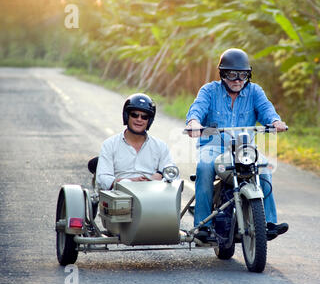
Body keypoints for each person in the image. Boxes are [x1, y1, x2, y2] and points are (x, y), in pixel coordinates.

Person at [185, 48, 289, 241]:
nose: (238, 79)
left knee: (264, 166)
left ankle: (268, 223)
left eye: (243, 75)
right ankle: (203, 226)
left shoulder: (255, 91)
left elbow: (267, 109)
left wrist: (275, 122)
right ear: (223, 74)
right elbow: (197, 109)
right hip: (213, 148)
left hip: (244, 149)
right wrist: (194, 123)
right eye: (232, 74)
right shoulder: (209, 90)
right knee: (204, 167)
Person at [96, 93, 175, 190]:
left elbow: (173, 176)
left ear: (149, 121)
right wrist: (129, 182)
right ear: (126, 116)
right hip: (120, 196)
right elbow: (102, 179)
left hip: (152, 195)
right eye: (134, 115)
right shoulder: (109, 144)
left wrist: (158, 178)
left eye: (144, 117)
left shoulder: (161, 146)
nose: (139, 119)